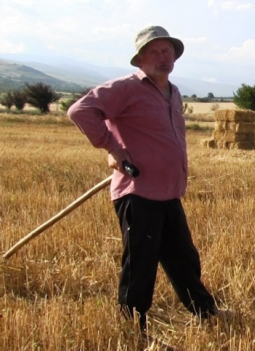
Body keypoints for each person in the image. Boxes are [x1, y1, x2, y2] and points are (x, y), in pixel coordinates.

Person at [68, 25, 227, 333]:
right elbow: (80, 110)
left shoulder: (173, 91)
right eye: (153, 52)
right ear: (139, 59)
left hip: (168, 193)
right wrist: (113, 148)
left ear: (175, 57)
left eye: (167, 51)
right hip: (138, 193)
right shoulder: (127, 87)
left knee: (184, 259)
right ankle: (132, 328)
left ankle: (205, 313)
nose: (162, 57)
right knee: (141, 265)